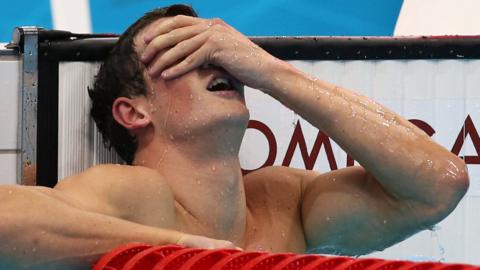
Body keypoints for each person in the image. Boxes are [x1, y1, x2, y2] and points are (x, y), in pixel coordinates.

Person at [0, 4, 469, 270]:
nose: (216, 63)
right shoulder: (136, 194)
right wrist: (181, 252)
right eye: (179, 53)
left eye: (219, 51)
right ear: (134, 111)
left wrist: (269, 70)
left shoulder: (286, 203)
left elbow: (438, 185)